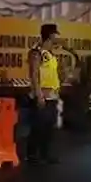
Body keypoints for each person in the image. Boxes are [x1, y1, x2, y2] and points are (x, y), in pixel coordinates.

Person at [26, 23, 62, 164]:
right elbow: (34, 74)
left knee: (49, 127)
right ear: (50, 35)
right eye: (55, 34)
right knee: (38, 126)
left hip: (52, 95)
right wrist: (38, 94)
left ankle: (45, 154)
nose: (57, 37)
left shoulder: (51, 55)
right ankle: (32, 155)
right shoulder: (37, 53)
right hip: (42, 95)